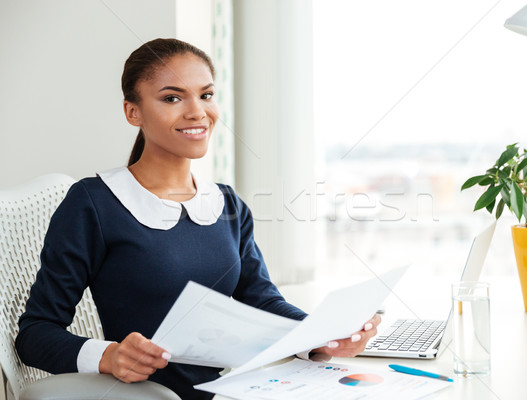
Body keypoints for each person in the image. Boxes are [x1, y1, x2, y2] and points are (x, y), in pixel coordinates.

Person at [15, 38, 380, 400]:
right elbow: (35, 334)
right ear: (133, 112)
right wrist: (109, 356)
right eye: (172, 98)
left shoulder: (227, 203)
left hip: (229, 391)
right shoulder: (94, 203)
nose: (197, 112)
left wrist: (322, 335)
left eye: (205, 95)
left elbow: (262, 299)